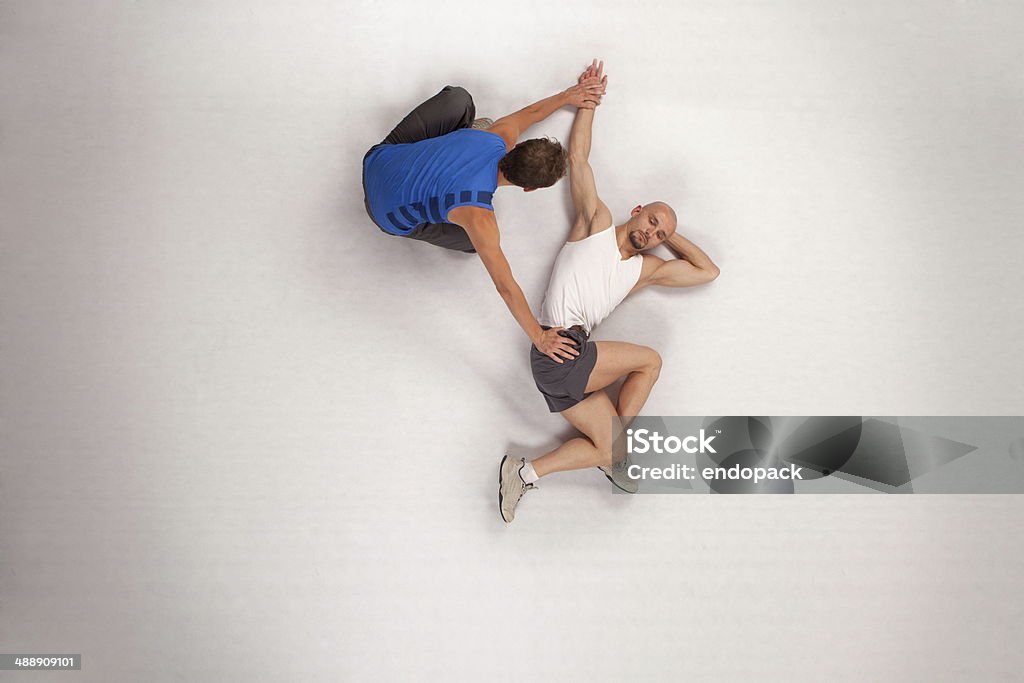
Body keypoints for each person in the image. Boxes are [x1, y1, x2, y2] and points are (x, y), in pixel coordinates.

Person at [496, 60, 721, 523]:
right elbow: (579, 158)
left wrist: (672, 233)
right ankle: (620, 451)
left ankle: (525, 472)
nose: (652, 233)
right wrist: (587, 99)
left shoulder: (646, 270)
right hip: (557, 345)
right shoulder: (594, 224)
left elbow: (707, 271)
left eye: (659, 233)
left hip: (561, 363)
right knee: (650, 360)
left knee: (608, 447)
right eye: (651, 221)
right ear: (636, 211)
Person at [361, 68, 607, 362]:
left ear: (516, 145)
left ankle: (459, 140)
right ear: (528, 189)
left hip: (377, 159)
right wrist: (540, 337)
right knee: (471, 242)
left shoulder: (498, 135)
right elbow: (505, 286)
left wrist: (570, 95)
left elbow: (533, 112)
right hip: (381, 213)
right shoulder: (479, 218)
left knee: (461, 100)